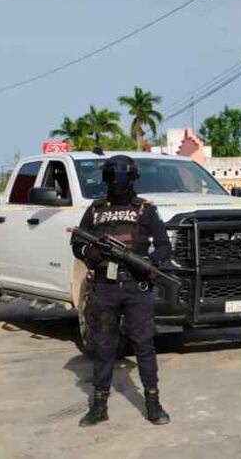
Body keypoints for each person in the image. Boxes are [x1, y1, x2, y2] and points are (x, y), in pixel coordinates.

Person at [72, 155, 172, 427]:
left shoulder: (145, 210)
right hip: (104, 286)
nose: (118, 183)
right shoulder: (94, 210)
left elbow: (164, 246)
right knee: (103, 347)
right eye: (113, 178)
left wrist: (151, 262)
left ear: (131, 178)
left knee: (144, 345)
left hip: (136, 286)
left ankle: (152, 403)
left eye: (122, 178)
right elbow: (77, 244)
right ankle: (99, 406)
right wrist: (94, 254)